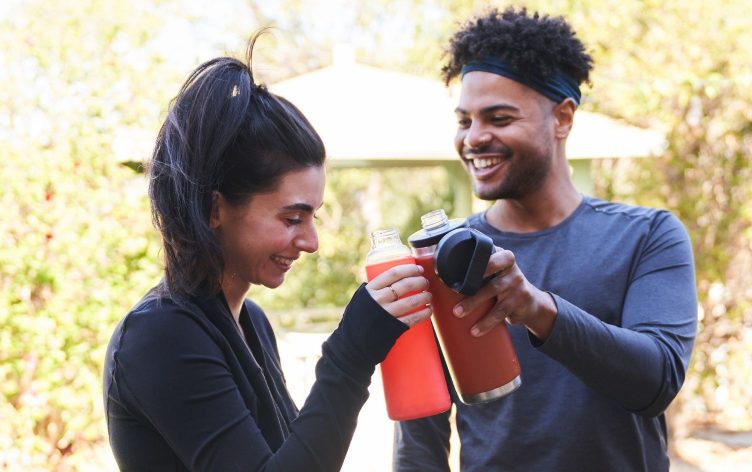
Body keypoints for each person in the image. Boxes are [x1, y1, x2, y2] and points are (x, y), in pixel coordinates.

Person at [103, 32, 432, 471]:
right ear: (214, 207)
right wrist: (351, 353)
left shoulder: (250, 322)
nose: (311, 242)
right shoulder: (160, 335)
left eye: (313, 216)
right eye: (292, 218)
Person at [394, 7, 697, 472]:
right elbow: (421, 436)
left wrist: (536, 308)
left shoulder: (648, 236)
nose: (474, 138)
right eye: (465, 120)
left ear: (562, 118)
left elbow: (656, 380)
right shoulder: (442, 255)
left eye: (498, 117)